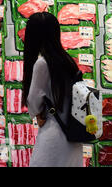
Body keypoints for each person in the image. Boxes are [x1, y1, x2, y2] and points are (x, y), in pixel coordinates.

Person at [21, 12, 83, 167]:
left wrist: (38, 114)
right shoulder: (67, 61)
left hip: (54, 138)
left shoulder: (42, 64)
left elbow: (34, 103)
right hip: (73, 138)